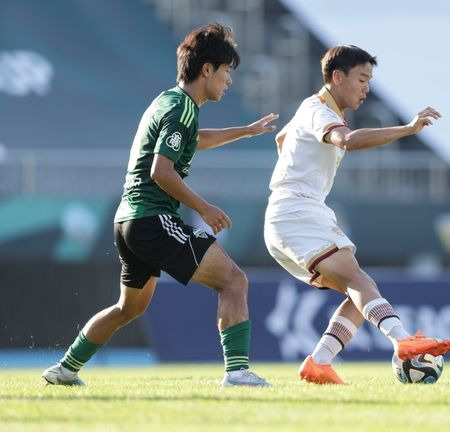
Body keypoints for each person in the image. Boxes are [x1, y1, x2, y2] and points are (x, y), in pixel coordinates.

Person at [42, 23, 278, 387]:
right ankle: (238, 372)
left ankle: (66, 369)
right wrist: (204, 208)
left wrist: (246, 131)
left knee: (129, 308)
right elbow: (161, 171)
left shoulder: (169, 101)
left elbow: (194, 140)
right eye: (227, 71)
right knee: (234, 280)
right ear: (207, 69)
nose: (229, 80)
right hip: (152, 219)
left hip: (128, 222)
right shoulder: (181, 108)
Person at [264, 45, 450, 385]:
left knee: (361, 290)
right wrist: (407, 129)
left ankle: (319, 362)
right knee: (360, 283)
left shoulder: (311, 109)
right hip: (297, 211)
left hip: (292, 212)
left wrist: (293, 159)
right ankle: (402, 340)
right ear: (338, 77)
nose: (367, 87)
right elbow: (347, 141)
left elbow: (282, 137)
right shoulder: (320, 110)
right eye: (362, 79)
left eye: (369, 80)